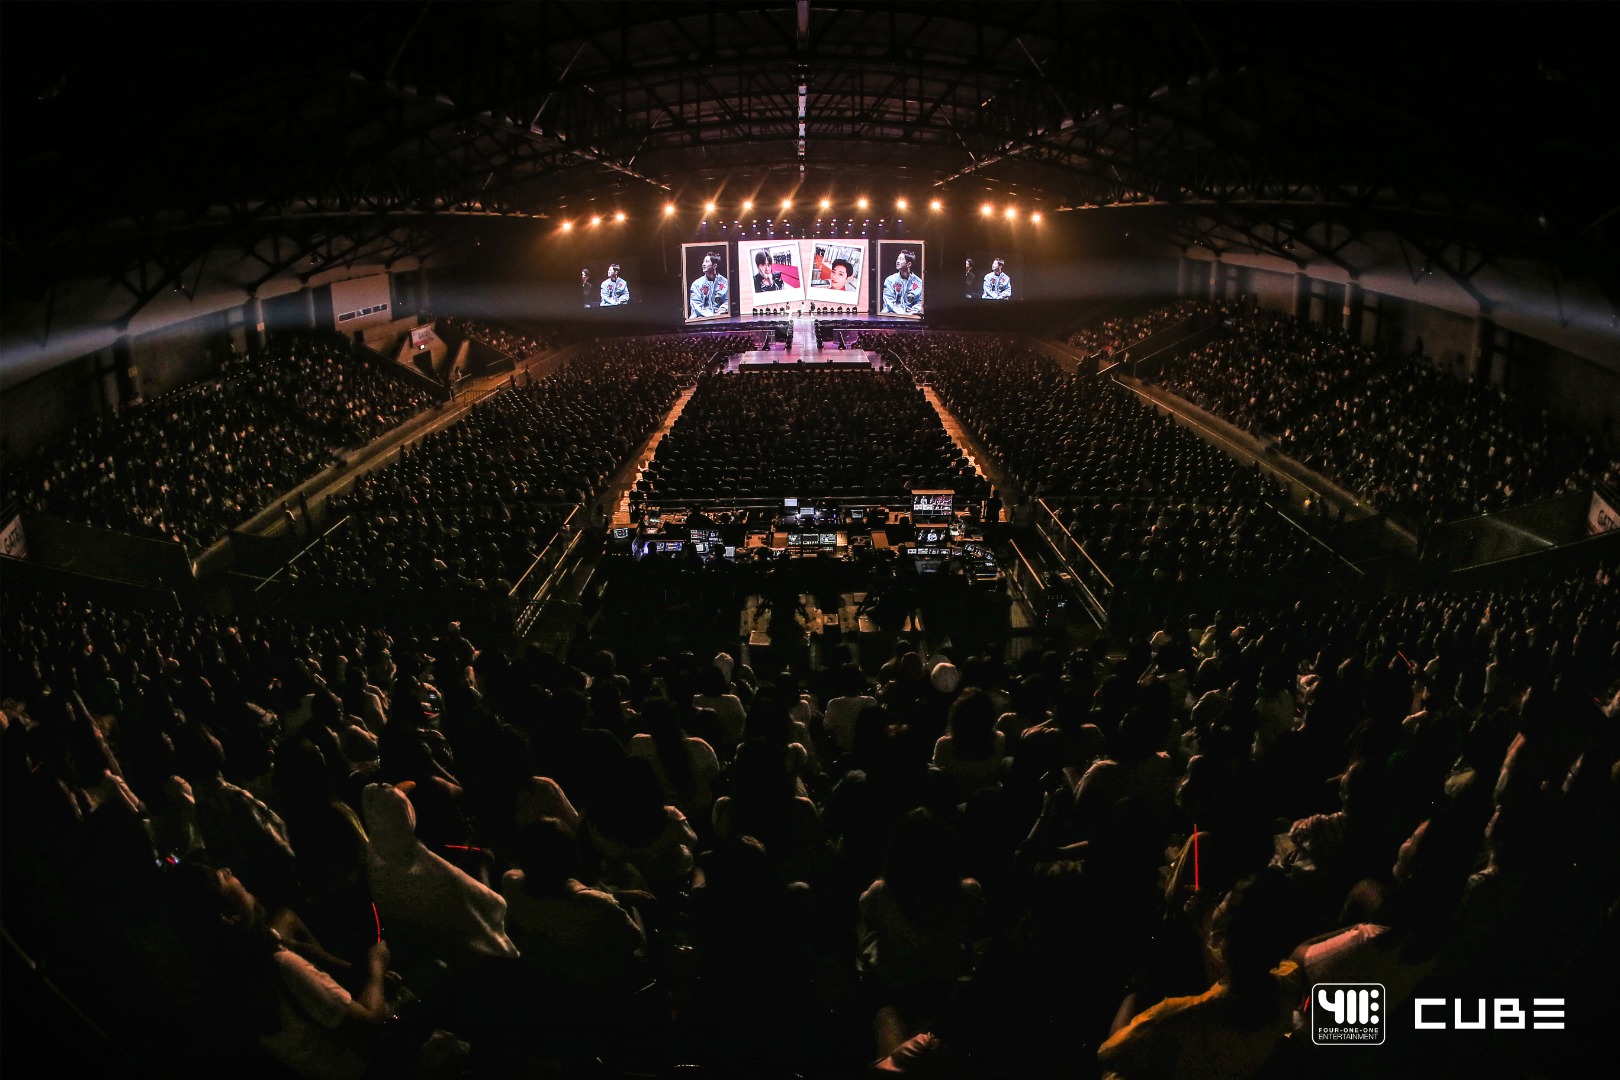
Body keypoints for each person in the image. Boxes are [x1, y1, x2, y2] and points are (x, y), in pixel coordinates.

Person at [882, 250, 923, 315]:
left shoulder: (919, 283)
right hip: (891, 315)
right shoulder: (890, 280)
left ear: (908, 264)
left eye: (901, 259)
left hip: (910, 316)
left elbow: (920, 302)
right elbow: (888, 301)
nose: (897, 261)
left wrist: (915, 310)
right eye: (897, 259)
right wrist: (902, 313)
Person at [690, 252, 729, 318]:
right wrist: (711, 316)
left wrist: (722, 309)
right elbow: (696, 305)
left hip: (720, 317)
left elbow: (727, 301)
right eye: (703, 262)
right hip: (700, 318)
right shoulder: (696, 284)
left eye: (707, 262)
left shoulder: (725, 283)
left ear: (714, 266)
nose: (703, 264)